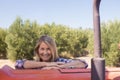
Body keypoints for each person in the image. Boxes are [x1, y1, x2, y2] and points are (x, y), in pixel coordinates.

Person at [15, 35, 88, 69]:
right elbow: (18, 63)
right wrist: (47, 65)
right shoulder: (35, 64)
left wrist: (60, 67)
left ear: (53, 50)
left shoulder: (59, 61)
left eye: (48, 49)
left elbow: (83, 63)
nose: (45, 52)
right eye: (42, 49)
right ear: (38, 50)